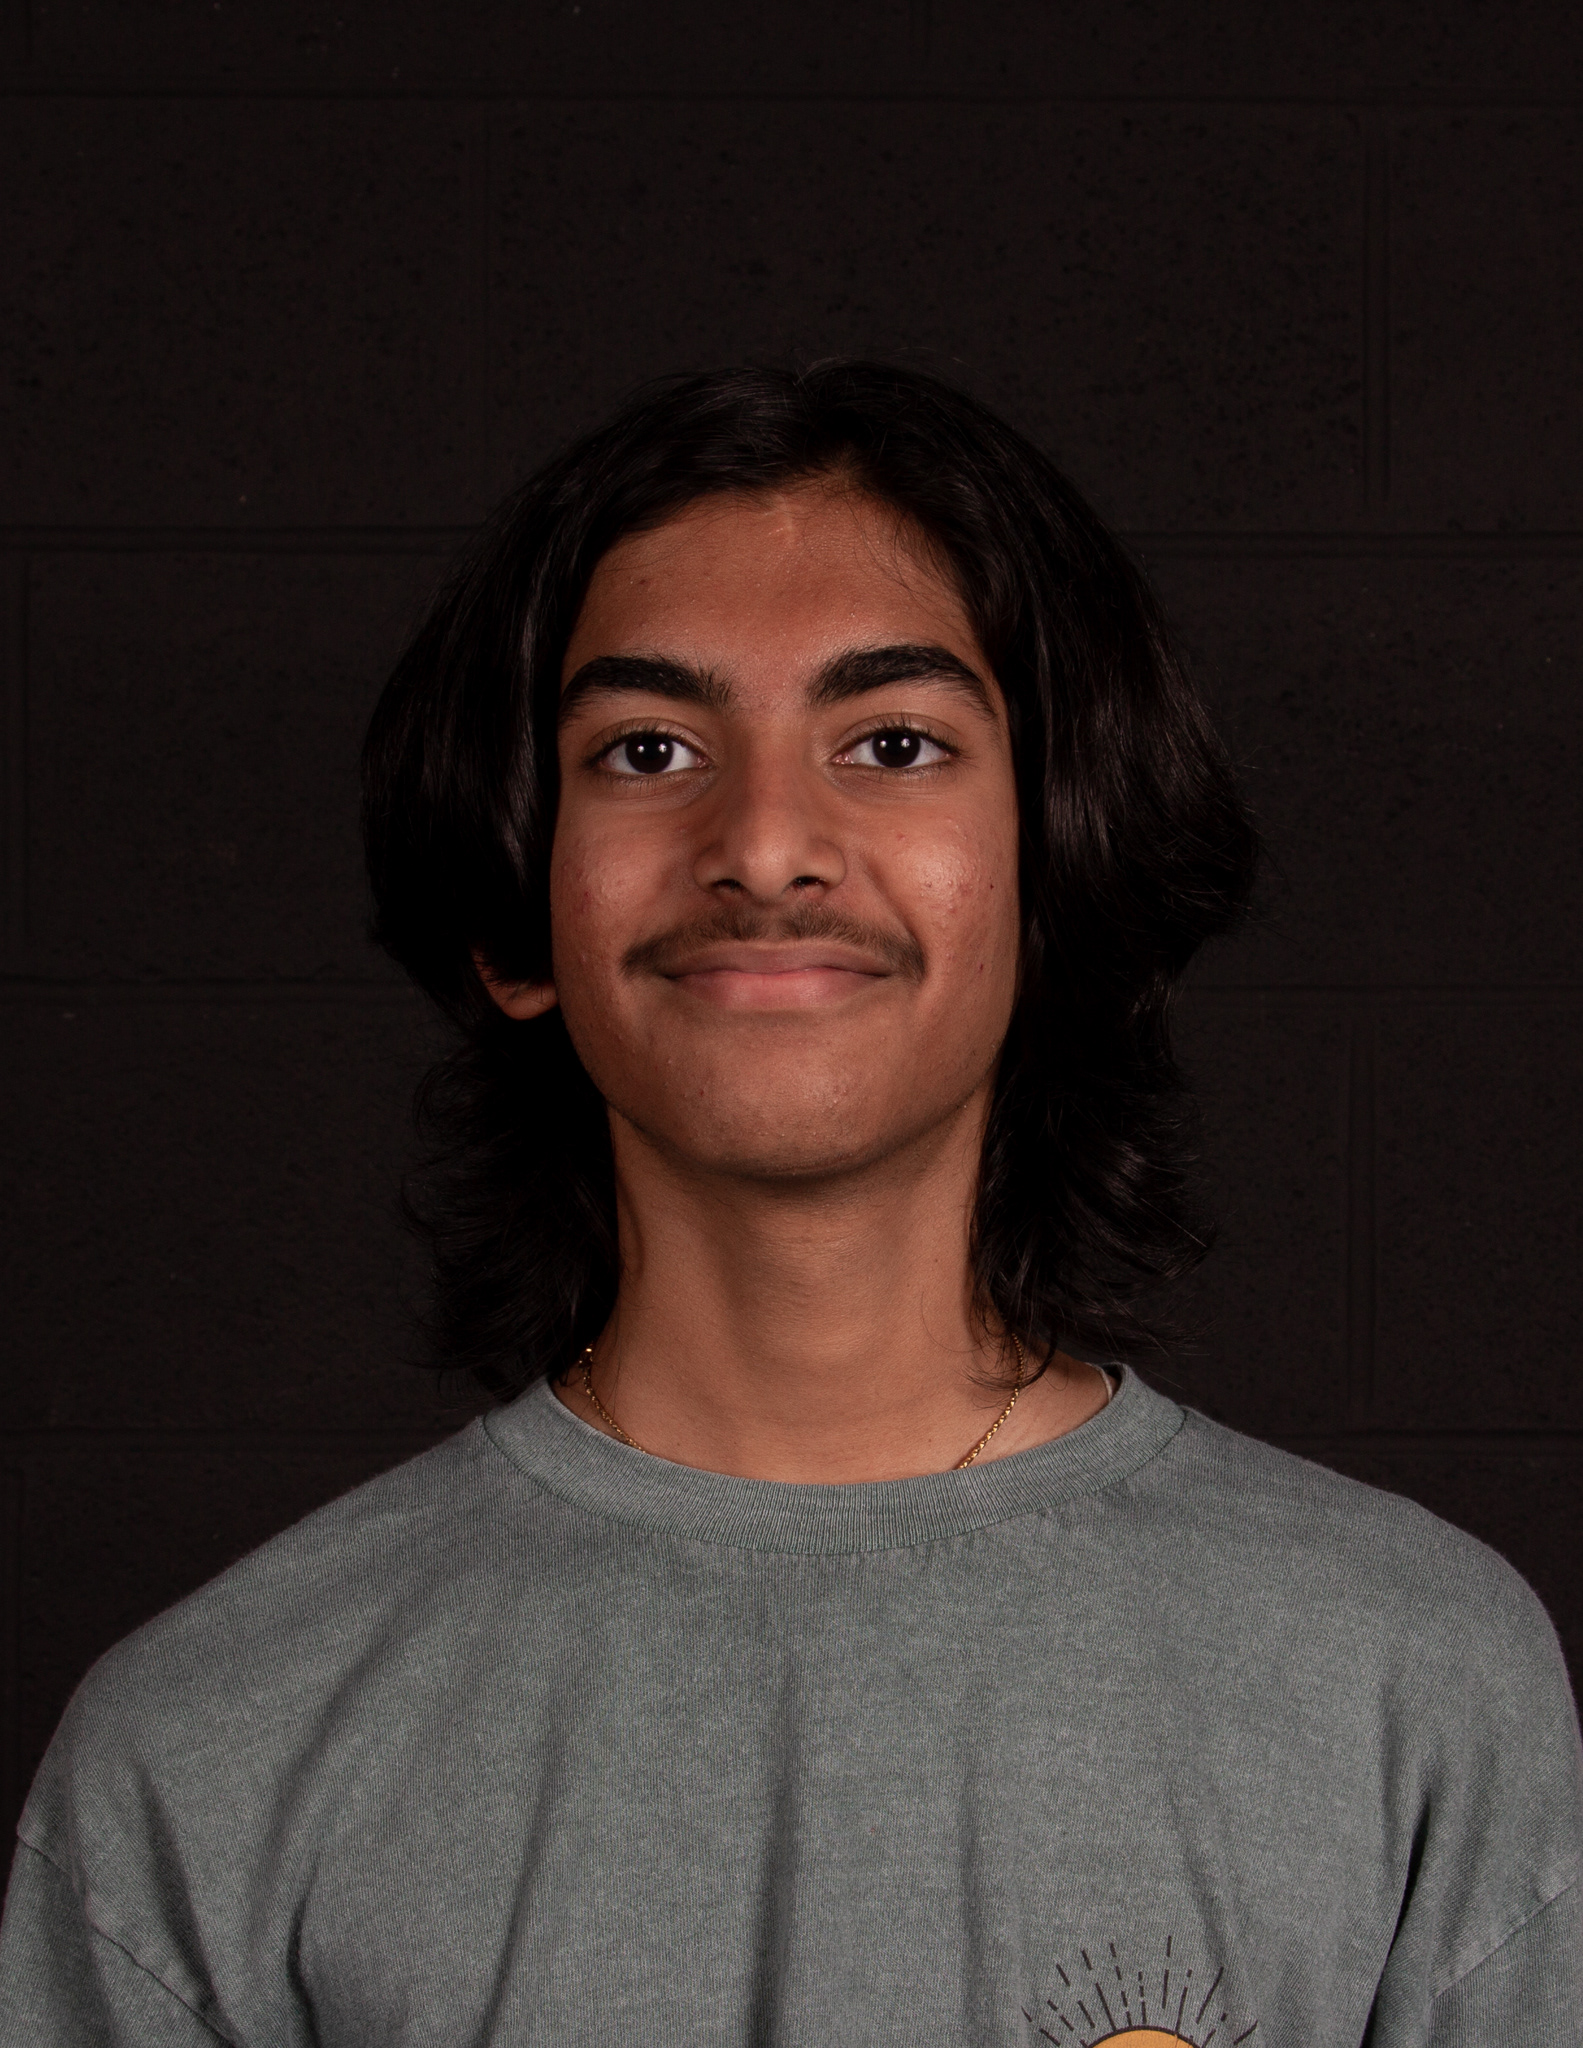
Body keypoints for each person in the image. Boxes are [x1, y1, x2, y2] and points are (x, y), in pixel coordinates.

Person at [0, 362, 1577, 2048]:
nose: (763, 845)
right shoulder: (208, 1754)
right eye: (648, 749)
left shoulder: (1410, 1688)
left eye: (894, 744)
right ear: (515, 921)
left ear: (1059, 879)